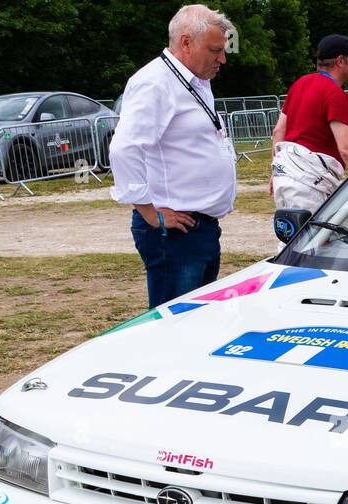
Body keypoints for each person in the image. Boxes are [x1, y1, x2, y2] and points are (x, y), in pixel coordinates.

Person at [110, 5, 237, 309]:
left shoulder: (196, 81)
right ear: (185, 42)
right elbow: (124, 148)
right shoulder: (156, 82)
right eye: (215, 50)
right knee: (176, 328)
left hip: (198, 228)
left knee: (198, 322)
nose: (222, 58)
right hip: (175, 233)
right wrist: (150, 212)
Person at [269, 34, 348, 214]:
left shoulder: (299, 84)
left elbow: (278, 131)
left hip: (286, 174)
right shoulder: (335, 93)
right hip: (309, 182)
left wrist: (275, 171)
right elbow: (346, 149)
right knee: (315, 239)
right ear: (340, 61)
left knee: (292, 239)